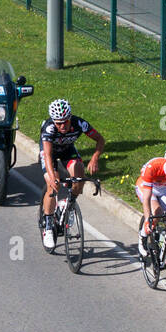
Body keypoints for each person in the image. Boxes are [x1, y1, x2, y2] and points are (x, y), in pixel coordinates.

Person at [39, 98, 104, 249]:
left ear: (70, 118)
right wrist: (53, 178)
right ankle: (48, 226)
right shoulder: (49, 129)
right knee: (52, 185)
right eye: (58, 123)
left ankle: (69, 205)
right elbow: (47, 156)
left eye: (65, 122)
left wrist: (94, 158)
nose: (62, 126)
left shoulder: (79, 124)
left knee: (79, 175)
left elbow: (100, 139)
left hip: (68, 150)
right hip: (50, 154)